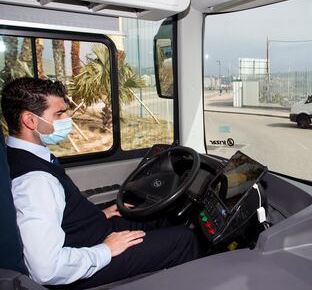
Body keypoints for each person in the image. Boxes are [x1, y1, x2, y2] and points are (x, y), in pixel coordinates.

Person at [1, 78, 200, 289]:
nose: (67, 118)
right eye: (59, 114)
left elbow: (60, 214)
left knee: (156, 215)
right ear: (30, 121)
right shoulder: (35, 182)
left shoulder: (18, 154)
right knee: (183, 239)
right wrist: (106, 250)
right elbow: (46, 269)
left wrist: (99, 214)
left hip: (91, 232)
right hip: (84, 258)